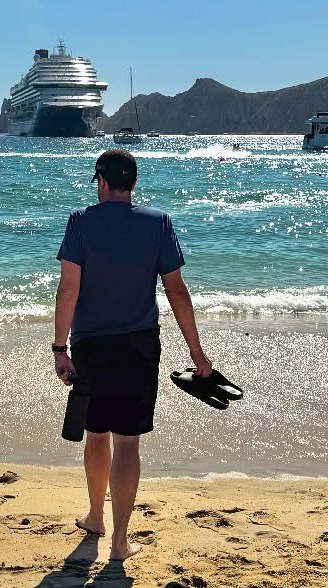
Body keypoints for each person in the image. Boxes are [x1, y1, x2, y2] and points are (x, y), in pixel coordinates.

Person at [52, 149, 212, 561]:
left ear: (101, 181)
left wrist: (59, 347)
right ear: (134, 184)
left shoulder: (81, 222)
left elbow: (68, 288)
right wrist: (197, 354)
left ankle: (94, 516)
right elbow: (177, 291)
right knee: (128, 443)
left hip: (91, 344)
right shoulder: (157, 222)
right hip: (139, 344)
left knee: (96, 433)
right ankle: (121, 543)